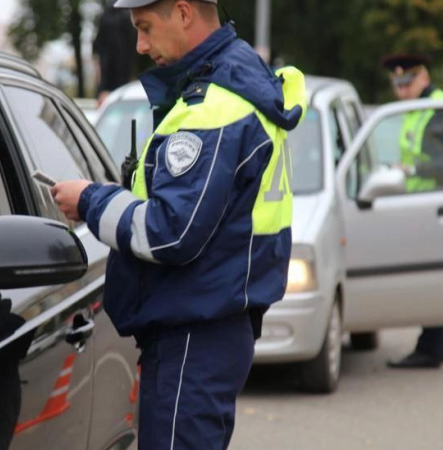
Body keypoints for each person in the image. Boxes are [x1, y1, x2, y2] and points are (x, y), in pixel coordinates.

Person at [51, 0, 306, 447]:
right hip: (212, 325)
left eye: (146, 27)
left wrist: (90, 200)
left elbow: (171, 232)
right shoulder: (236, 89)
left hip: (195, 332)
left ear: (184, 13)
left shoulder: (215, 107)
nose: (140, 45)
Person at [382, 54, 443, 370]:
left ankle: (430, 349)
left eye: (408, 83)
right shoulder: (423, 108)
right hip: (434, 203)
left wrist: (410, 167)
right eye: (397, 84)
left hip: (437, 205)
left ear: (424, 77)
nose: (403, 91)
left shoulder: (435, 112)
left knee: (433, 280)